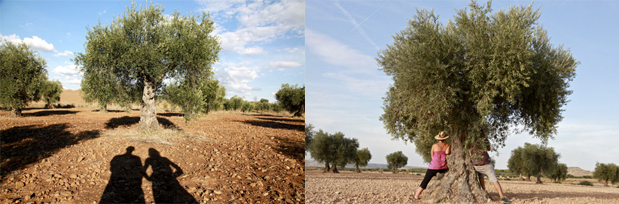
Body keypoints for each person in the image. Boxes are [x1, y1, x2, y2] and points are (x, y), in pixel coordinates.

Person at [468, 132, 511, 204]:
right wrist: (485, 139)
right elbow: (489, 149)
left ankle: (483, 190)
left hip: (476, 165)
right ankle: (502, 197)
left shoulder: (469, 142)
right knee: (494, 180)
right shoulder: (484, 140)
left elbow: (470, 153)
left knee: (481, 177)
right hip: (486, 164)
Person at [412, 131, 451, 200]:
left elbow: (432, 157)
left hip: (433, 167)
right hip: (443, 167)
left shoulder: (434, 146)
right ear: (445, 138)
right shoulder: (447, 145)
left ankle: (416, 195)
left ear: (438, 138)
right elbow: (447, 153)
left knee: (425, 181)